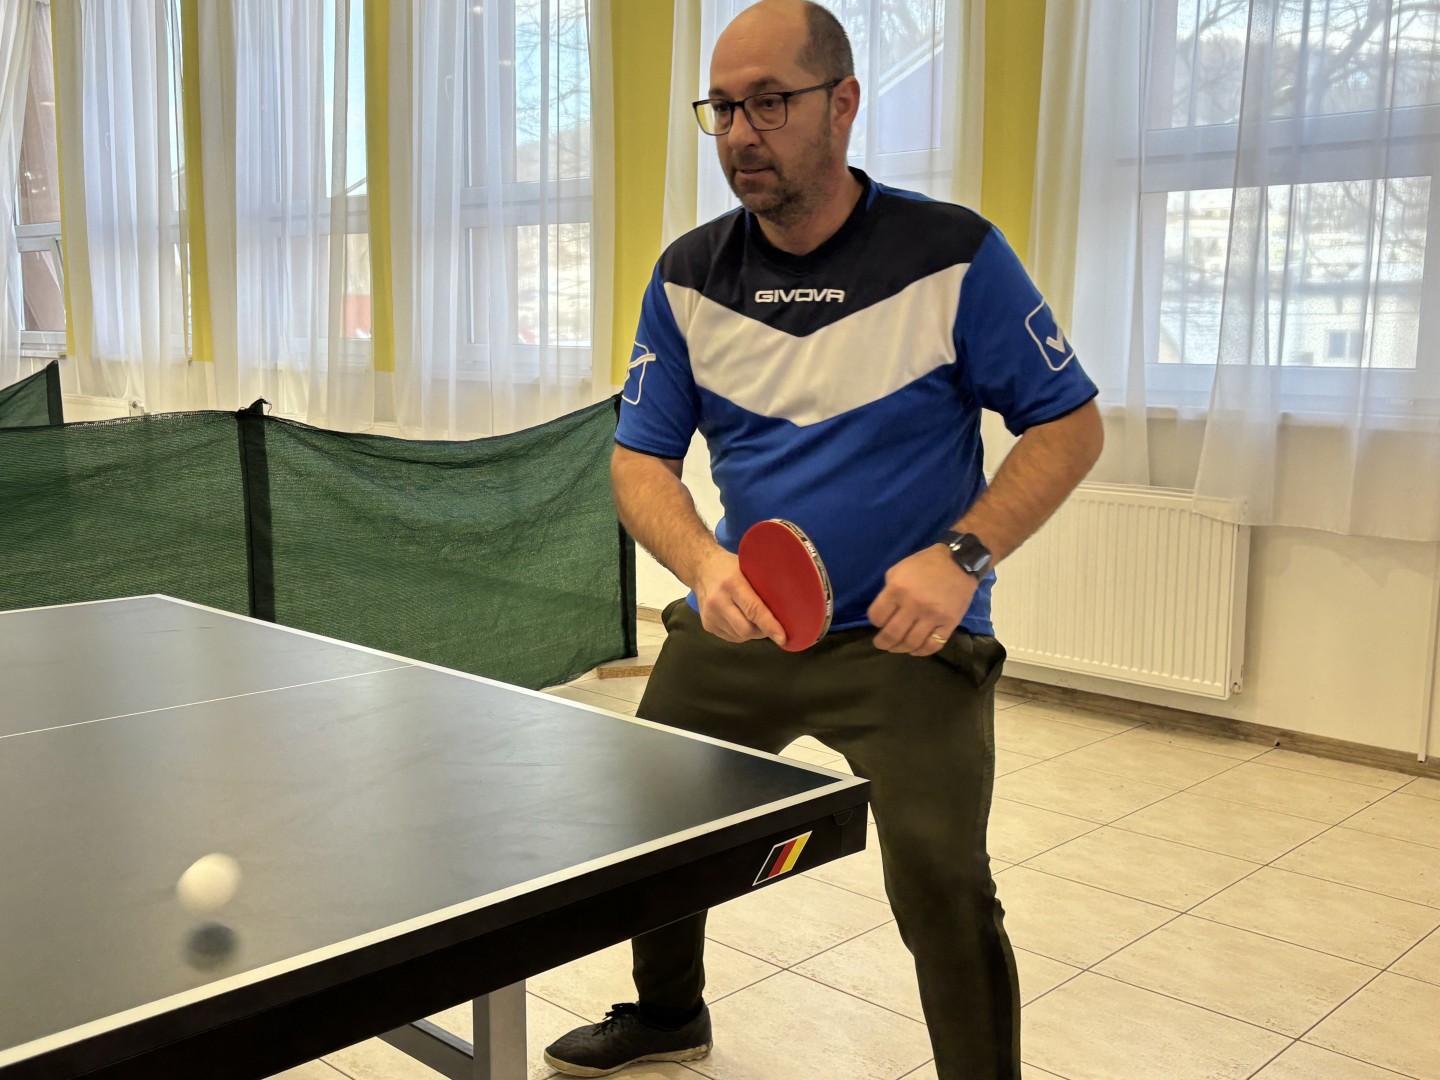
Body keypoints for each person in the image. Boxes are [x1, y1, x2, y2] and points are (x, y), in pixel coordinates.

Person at [544, 2, 1103, 1077]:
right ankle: (668, 1016)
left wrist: (963, 558)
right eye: (722, 109)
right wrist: (704, 565)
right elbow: (638, 460)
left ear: (842, 105)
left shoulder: (952, 255)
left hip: (907, 641)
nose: (740, 134)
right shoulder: (688, 275)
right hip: (746, 628)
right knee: (652, 818)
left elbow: (1069, 426)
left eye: (769, 103)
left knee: (942, 878)